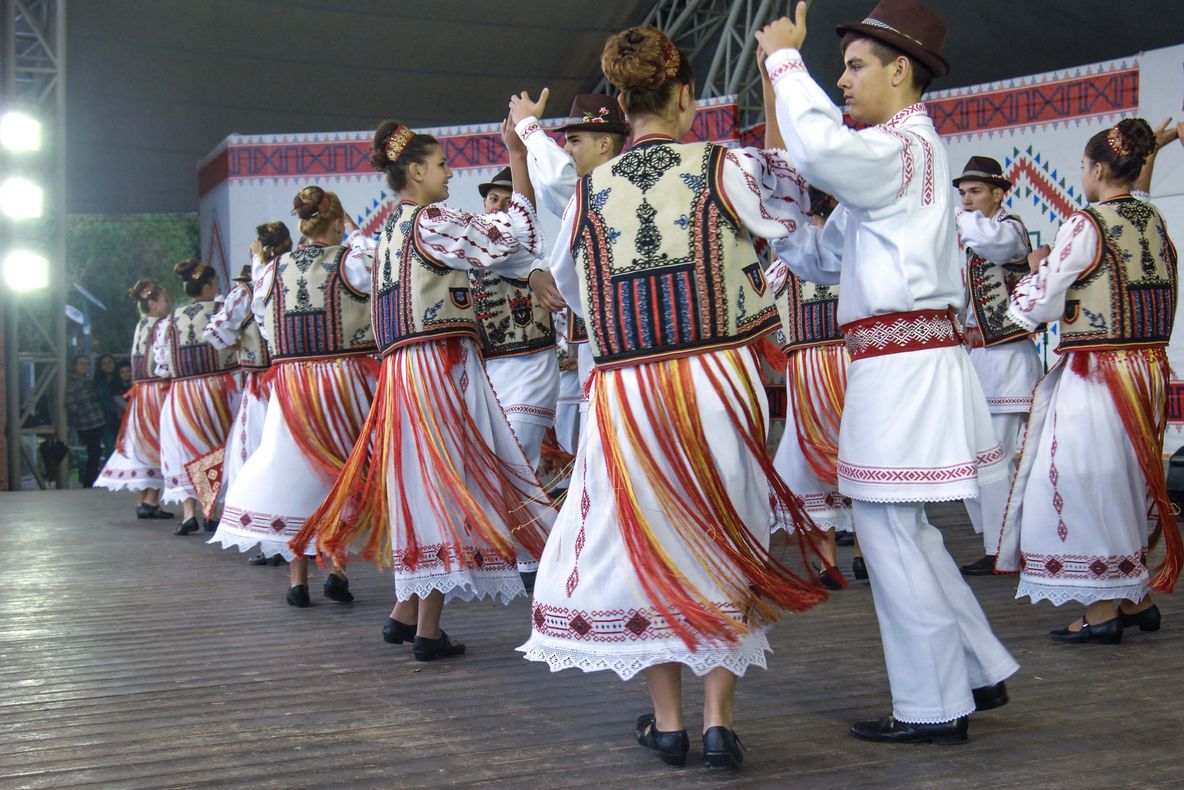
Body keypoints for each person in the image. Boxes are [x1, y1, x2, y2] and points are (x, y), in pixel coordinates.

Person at [518, 25, 832, 772]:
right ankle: (720, 719)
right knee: (726, 532)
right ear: (686, 96)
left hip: (626, 385)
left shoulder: (588, 189)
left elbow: (558, 282)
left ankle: (667, 724)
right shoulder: (727, 165)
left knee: (641, 539)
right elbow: (794, 200)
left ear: (624, 106)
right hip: (717, 378)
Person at [758, 0, 1018, 745]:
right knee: (901, 528)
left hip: (903, 366)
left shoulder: (899, 149)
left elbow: (820, 153)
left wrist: (784, 63)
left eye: (856, 65)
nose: (842, 80)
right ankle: (974, 666)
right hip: (901, 361)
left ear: (901, 71)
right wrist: (770, 215)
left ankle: (933, 703)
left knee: (888, 530)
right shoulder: (896, 160)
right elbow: (821, 255)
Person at [293, 118, 556, 660]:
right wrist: (520, 158)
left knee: (417, 483)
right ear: (415, 171)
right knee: (445, 482)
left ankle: (404, 613)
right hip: (437, 367)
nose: (450, 172)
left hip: (401, 373)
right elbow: (513, 235)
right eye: (440, 165)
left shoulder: (388, 232)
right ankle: (427, 632)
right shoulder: (432, 219)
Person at [997, 118, 1181, 643]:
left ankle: (1101, 614)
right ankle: (1135, 598)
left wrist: (1035, 268)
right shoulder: (1152, 217)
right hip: (1145, 371)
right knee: (1123, 480)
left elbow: (1042, 300)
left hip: (1099, 374)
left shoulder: (1087, 223)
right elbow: (1137, 196)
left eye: (1083, 165)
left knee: (1083, 481)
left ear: (1098, 168)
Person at [210, 188, 377, 608]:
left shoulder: (270, 272)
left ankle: (297, 579)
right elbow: (378, 264)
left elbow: (267, 328)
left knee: (294, 469)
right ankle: (336, 567)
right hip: (343, 378)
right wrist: (355, 232)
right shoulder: (352, 261)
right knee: (342, 471)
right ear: (337, 222)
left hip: (292, 382)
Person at [510, 92, 630, 450]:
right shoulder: (588, 197)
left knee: (611, 437)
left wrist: (528, 128)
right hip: (600, 340)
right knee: (600, 436)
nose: (567, 149)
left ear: (606, 143)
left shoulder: (608, 188)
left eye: (575, 140)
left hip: (622, 339)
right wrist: (536, 271)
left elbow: (554, 181)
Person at [767, 185, 864, 586]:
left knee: (809, 461)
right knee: (858, 451)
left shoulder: (785, 266)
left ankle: (828, 561)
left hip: (806, 370)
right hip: (852, 364)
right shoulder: (854, 258)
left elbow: (757, 312)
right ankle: (864, 552)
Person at [951, 157, 1041, 575]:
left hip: (1007, 357)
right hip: (979, 358)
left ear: (1000, 194)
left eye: (976, 192)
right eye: (963, 193)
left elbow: (998, 246)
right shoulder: (970, 237)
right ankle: (1000, 543)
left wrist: (955, 216)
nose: (968, 200)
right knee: (972, 455)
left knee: (998, 456)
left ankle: (1003, 550)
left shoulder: (1010, 229)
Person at [204, 222, 292, 567]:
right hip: (289, 379)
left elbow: (218, 335)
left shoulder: (247, 288)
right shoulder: (293, 272)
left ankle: (269, 537)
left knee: (255, 455)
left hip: (259, 385)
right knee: (286, 456)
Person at [470, 166, 560, 469]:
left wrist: (536, 270)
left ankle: (526, 516)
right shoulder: (467, 251)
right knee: (493, 467)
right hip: (486, 372)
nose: (497, 206)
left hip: (528, 368)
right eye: (493, 199)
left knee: (516, 463)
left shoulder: (527, 251)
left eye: (508, 202)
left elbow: (533, 261)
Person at [153, 259, 240, 535]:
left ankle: (188, 513)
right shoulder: (220, 310)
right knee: (214, 447)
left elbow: (162, 364)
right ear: (207, 285)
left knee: (183, 448)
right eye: (215, 284)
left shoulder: (169, 320)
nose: (217, 288)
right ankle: (210, 509)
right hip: (215, 387)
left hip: (181, 392)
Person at [95, 279, 175, 519]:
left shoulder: (141, 325)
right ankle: (151, 499)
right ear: (151, 303)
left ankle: (146, 499)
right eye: (164, 300)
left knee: (145, 442)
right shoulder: (161, 326)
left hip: (141, 392)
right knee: (159, 442)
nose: (168, 304)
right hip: (155, 390)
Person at [65, 354, 107, 488]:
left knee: (96, 451)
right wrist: (84, 411)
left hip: (98, 420)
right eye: (81, 364)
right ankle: (89, 481)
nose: (84, 367)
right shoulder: (71, 384)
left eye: (86, 364)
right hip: (85, 423)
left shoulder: (89, 381)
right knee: (94, 450)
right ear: (74, 366)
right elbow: (70, 405)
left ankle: (92, 479)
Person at [92, 353, 122, 462]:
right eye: (104, 364)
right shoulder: (99, 383)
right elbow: (102, 401)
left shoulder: (121, 378)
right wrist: (117, 410)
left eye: (110, 362)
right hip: (107, 420)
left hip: (124, 419)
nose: (108, 365)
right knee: (111, 448)